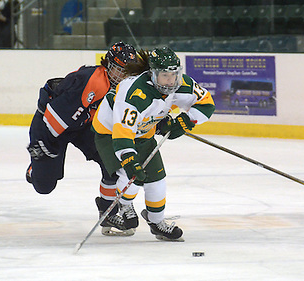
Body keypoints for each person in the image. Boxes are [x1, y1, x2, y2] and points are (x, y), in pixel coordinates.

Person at [91, 46, 215, 241]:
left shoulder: (180, 84)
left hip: (144, 131)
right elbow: (123, 131)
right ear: (153, 74)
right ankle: (124, 205)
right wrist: (130, 160)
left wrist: (185, 121)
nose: (170, 80)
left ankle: (157, 223)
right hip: (109, 131)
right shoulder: (134, 94)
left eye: (174, 74)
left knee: (157, 180)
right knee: (131, 174)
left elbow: (206, 103)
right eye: (165, 75)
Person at [26, 42, 137, 235]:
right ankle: (35, 166)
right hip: (50, 124)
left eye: (127, 71)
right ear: (109, 65)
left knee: (111, 162)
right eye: (120, 70)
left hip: (83, 124)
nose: (123, 76)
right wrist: (43, 146)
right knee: (44, 186)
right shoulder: (93, 82)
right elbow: (55, 120)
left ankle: (107, 211)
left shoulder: (124, 86)